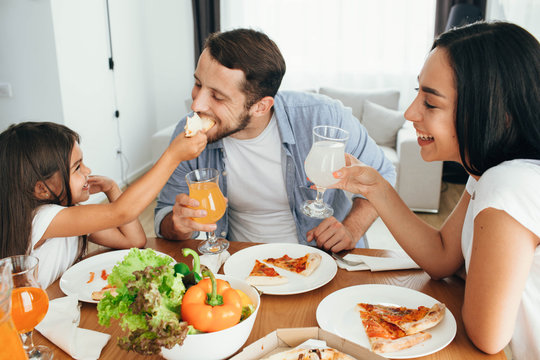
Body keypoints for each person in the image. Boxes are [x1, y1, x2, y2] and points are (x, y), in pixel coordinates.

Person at [327, 22, 540, 359]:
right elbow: (442, 257)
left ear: (495, 113)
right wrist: (376, 188)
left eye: (431, 103)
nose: (411, 113)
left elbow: (488, 334)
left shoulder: (508, 185)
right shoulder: (486, 173)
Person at [154, 28, 396, 251]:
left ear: (261, 106)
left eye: (217, 96)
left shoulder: (324, 116)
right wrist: (176, 225)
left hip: (323, 261)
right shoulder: (186, 134)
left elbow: (382, 174)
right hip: (240, 264)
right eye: (198, 84)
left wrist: (351, 229)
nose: (197, 104)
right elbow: (164, 215)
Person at [0, 121, 207, 288]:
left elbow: (133, 240)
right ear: (42, 189)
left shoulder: (71, 218)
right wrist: (173, 155)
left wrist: (113, 190)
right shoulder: (41, 218)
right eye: (77, 168)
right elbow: (122, 213)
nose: (88, 171)